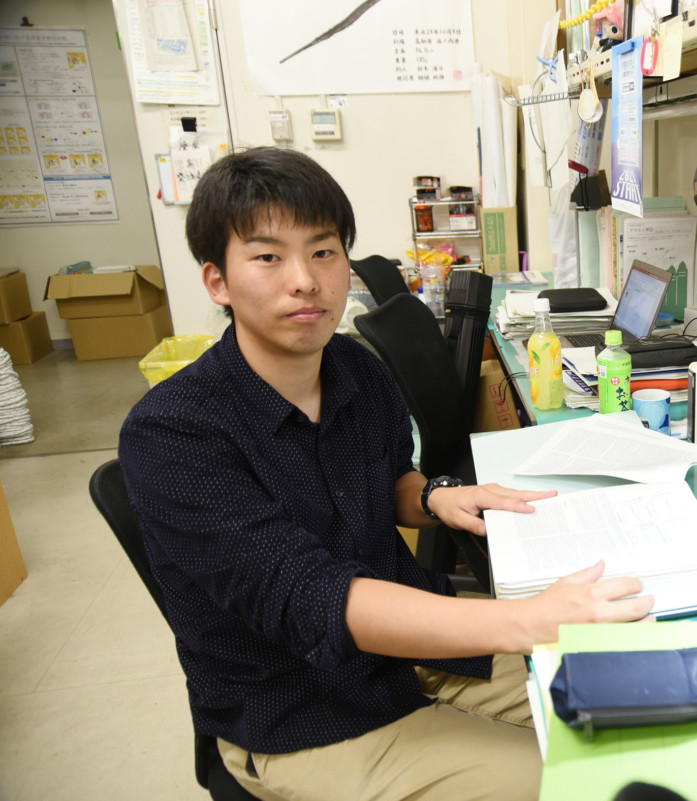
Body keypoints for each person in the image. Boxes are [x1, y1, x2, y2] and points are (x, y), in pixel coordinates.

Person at [119, 147, 654, 801]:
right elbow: (314, 599)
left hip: (412, 652)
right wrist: (527, 620)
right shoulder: (173, 433)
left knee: (646, 708)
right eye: (268, 257)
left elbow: (386, 479)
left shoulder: (355, 368)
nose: (305, 280)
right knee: (584, 781)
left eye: (323, 251)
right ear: (217, 282)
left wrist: (435, 497)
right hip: (303, 710)